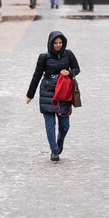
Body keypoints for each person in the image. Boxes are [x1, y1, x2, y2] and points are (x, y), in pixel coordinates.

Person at [26, 31, 81, 162]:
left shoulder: (68, 54)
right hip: (48, 93)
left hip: (64, 93)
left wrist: (69, 72)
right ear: (50, 44)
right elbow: (36, 76)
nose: (58, 45)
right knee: (50, 124)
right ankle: (54, 150)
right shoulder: (43, 57)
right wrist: (30, 94)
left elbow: (77, 68)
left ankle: (60, 140)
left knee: (65, 125)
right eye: (55, 43)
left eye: (60, 43)